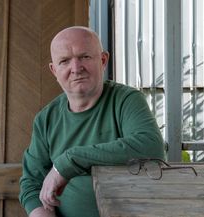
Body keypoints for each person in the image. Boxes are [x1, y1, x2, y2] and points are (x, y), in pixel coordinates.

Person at [19, 26, 165, 217]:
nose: (76, 68)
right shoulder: (46, 118)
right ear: (54, 70)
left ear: (103, 60)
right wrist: (41, 213)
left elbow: (150, 146)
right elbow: (31, 182)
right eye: (64, 61)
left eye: (85, 57)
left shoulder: (126, 100)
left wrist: (69, 161)